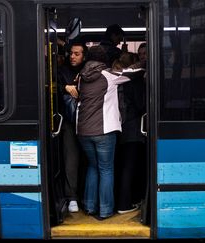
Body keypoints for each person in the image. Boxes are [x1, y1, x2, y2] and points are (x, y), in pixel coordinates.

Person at [76, 45, 144, 220]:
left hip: (83, 132)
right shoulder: (109, 76)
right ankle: (105, 210)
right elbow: (131, 73)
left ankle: (90, 206)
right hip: (103, 131)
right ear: (103, 59)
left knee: (92, 167)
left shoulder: (81, 77)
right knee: (106, 169)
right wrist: (145, 61)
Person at [114, 52, 147, 214]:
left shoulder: (119, 79)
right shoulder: (133, 81)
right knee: (130, 166)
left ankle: (123, 201)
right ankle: (124, 204)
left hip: (121, 127)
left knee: (123, 165)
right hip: (133, 128)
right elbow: (140, 104)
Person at [57, 41, 88, 213]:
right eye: (71, 53)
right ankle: (72, 197)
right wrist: (65, 87)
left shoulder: (89, 71)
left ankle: (85, 196)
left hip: (88, 120)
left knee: (88, 160)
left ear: (84, 55)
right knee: (71, 158)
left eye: (77, 54)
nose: (73, 56)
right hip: (69, 121)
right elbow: (51, 87)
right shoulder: (62, 71)